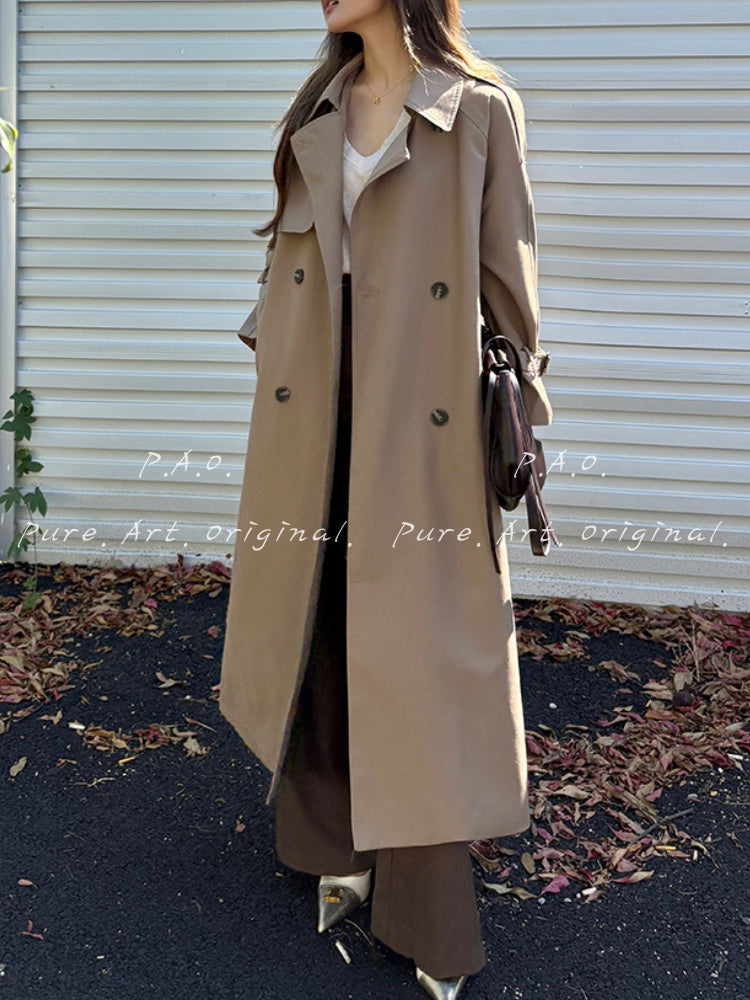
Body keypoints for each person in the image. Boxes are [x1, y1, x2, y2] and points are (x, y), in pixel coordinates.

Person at [218, 0, 554, 997]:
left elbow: (508, 285)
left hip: (422, 412)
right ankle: (332, 842)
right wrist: (270, 343)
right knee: (321, 618)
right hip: (315, 403)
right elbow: (291, 260)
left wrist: (516, 422)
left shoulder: (477, 108)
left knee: (419, 652)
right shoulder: (320, 105)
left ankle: (427, 910)